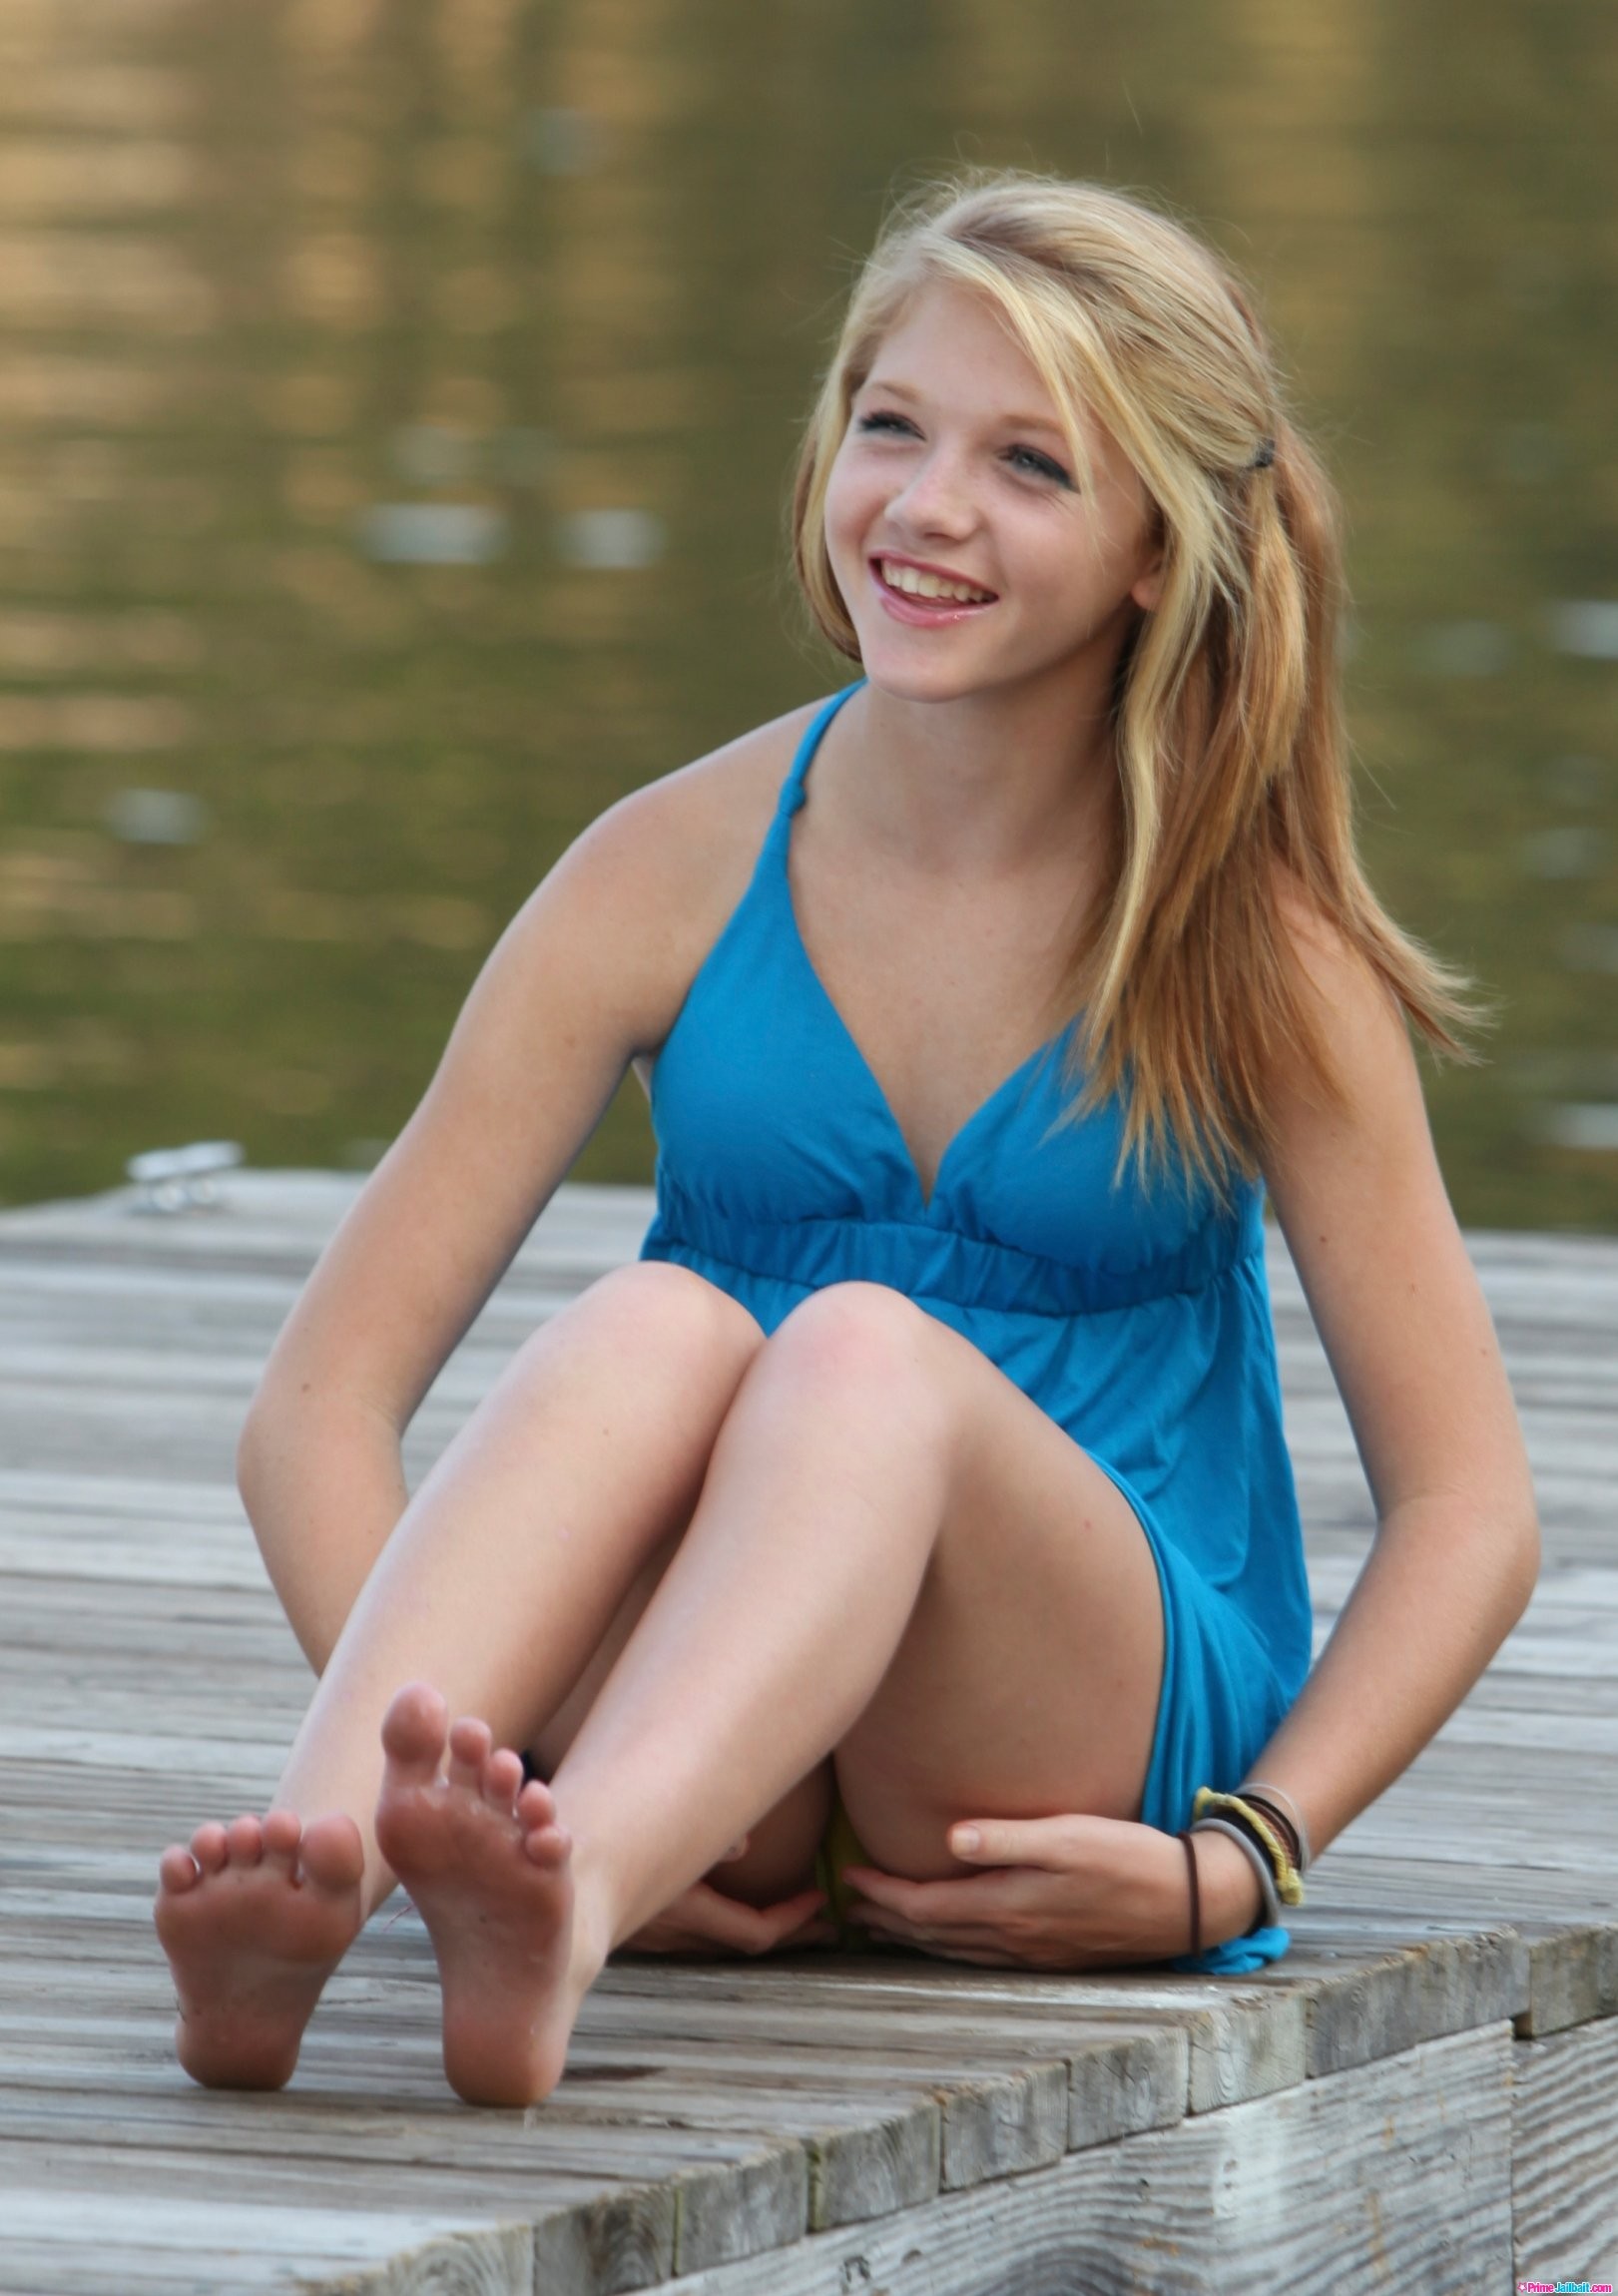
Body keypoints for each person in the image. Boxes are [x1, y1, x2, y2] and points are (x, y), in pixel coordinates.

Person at [153, 169, 1540, 2109]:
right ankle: (338, 1875)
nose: (927, 505)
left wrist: (1239, 1857)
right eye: (892, 427)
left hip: (1045, 1724)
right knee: (648, 1327)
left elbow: (1470, 1510)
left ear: (1159, 547)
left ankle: (565, 1910)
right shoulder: (663, 866)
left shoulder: (1254, 943)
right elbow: (315, 1409)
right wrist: (485, 1776)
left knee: (859, 1354)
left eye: (1029, 464)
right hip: (712, 1755)